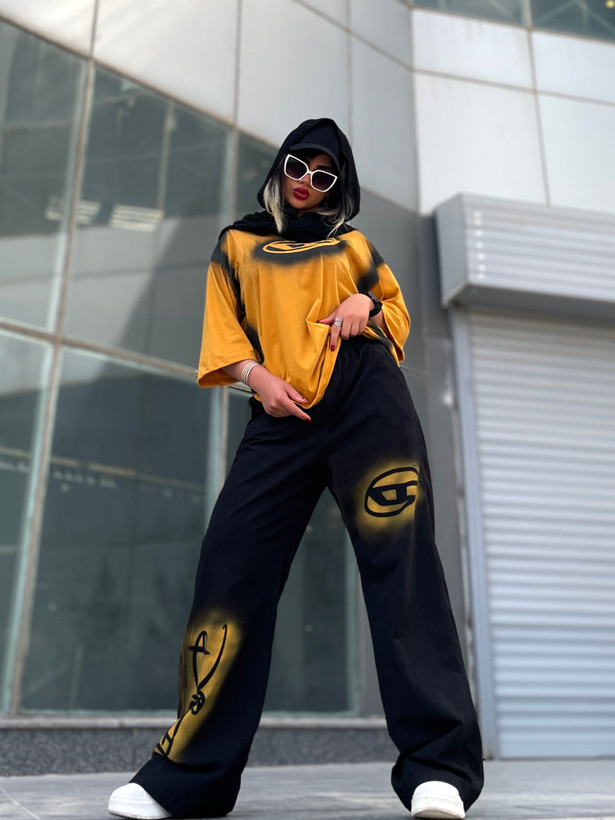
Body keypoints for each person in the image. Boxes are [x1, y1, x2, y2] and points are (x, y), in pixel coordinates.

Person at [108, 118, 484, 820]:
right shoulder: (237, 243)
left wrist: (365, 301)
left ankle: (439, 768)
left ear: (338, 186)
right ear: (278, 168)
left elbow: (393, 310)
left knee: (402, 565)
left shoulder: (353, 245)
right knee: (230, 567)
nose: (307, 183)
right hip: (280, 415)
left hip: (368, 400)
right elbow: (224, 335)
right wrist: (259, 379)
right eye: (297, 167)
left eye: (323, 175)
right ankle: (188, 776)